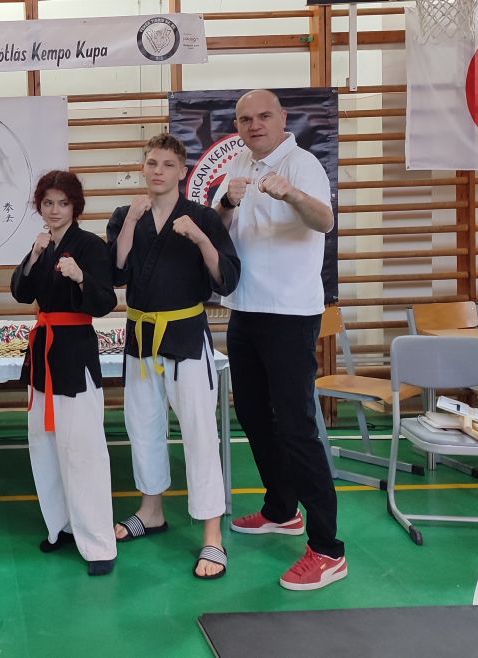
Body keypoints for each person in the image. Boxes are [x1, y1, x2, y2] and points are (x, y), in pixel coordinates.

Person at [215, 89, 347, 591]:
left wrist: (290, 193)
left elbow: (325, 220)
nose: (254, 124)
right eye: (244, 118)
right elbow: (221, 230)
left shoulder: (302, 164)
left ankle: (328, 548)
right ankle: (281, 509)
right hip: (244, 309)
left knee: (296, 427)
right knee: (252, 414)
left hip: (290, 315)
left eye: (263, 116)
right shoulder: (239, 165)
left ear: (282, 118)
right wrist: (227, 203)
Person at [106, 134, 240, 579]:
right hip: (140, 335)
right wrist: (130, 222)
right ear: (142, 168)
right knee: (142, 427)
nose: (158, 171)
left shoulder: (202, 217)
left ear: (182, 171)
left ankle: (212, 535)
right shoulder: (126, 215)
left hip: (185, 334)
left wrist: (201, 239)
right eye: (151, 163)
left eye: (167, 164)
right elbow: (115, 273)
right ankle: (151, 511)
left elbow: (226, 277)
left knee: (199, 432)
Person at [10, 170, 118, 576]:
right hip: (43, 354)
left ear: (75, 207)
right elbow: (21, 292)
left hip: (75, 353)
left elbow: (104, 301)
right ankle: (61, 526)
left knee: (83, 450)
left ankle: (100, 544)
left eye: (63, 203)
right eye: (48, 203)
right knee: (44, 444)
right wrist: (34, 256)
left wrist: (80, 276)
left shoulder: (90, 246)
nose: (54, 210)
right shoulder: (42, 245)